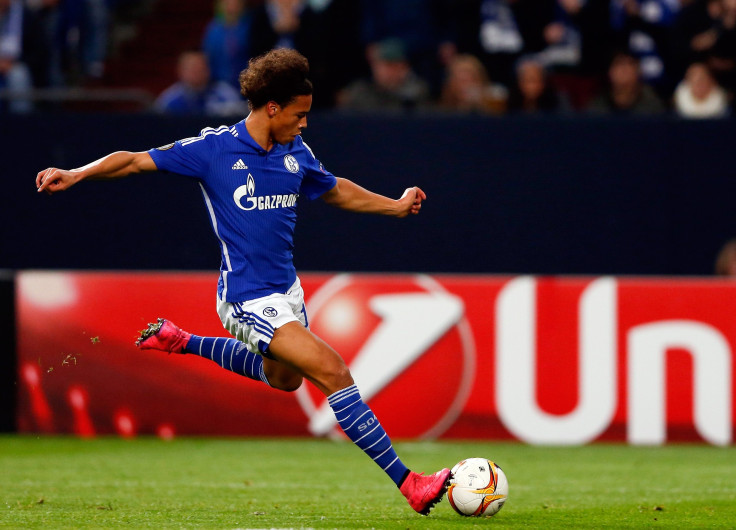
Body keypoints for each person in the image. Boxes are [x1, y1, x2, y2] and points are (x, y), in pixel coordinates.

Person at [35, 48, 450, 516]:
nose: (305, 123)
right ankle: (410, 483)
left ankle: (183, 341)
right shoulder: (213, 149)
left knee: (286, 380)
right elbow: (132, 160)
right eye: (299, 113)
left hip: (287, 292)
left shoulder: (296, 150)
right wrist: (77, 173)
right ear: (272, 107)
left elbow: (333, 189)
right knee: (333, 370)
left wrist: (393, 206)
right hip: (246, 296)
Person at [337, 38, 432, 112]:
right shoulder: (359, 91)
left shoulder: (417, 92)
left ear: (405, 67)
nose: (389, 71)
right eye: (385, 65)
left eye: (395, 65)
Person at [154, 50, 247, 116]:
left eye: (200, 67)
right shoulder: (169, 100)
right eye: (191, 68)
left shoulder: (226, 94)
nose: (196, 71)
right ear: (180, 70)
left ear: (208, 69)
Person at [587, 50, 666, 114]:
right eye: (619, 64)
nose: (625, 70)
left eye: (630, 64)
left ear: (639, 70)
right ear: (610, 72)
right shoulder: (597, 108)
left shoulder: (653, 107)